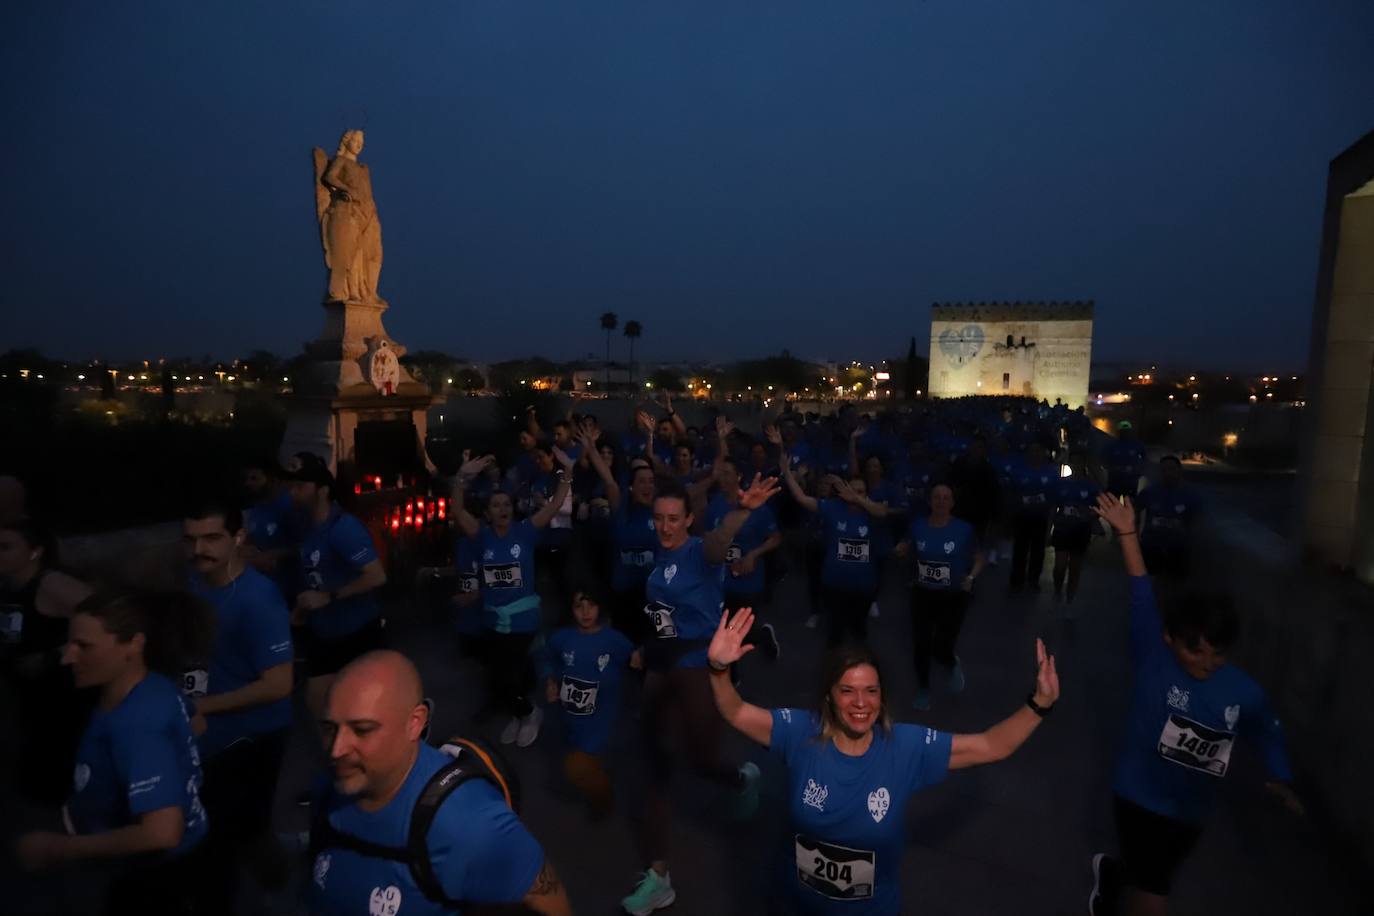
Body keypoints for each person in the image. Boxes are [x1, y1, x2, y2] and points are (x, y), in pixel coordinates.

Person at [706, 607, 1060, 915]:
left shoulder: (906, 746)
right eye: (847, 690)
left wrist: (1040, 704)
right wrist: (718, 670)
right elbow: (736, 711)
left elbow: (990, 745)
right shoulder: (800, 732)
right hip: (796, 905)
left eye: (871, 691)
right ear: (829, 697)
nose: (861, 702)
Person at [1088, 494, 1304, 916]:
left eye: (1218, 653)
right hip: (1138, 797)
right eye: (1196, 651)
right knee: (1155, 889)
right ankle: (1121, 881)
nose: (1207, 663)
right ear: (1170, 638)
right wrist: (1128, 533)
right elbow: (1140, 593)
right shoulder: (1154, 655)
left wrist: (1280, 775)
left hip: (1192, 811)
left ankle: (1113, 880)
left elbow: (1265, 728)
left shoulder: (1244, 691)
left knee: (1149, 874)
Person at [307, 650, 572, 915]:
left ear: (415, 723)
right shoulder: (331, 786)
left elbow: (551, 907)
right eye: (330, 728)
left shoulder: (472, 827)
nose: (336, 750)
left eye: (362, 730)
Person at [621, 475, 779, 916]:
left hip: (699, 668)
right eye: (659, 519)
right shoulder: (658, 554)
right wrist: (644, 647)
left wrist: (741, 512)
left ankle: (740, 778)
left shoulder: (700, 553)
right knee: (655, 764)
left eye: (674, 519)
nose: (665, 527)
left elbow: (718, 541)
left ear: (689, 519)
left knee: (703, 759)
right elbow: (661, 614)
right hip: (661, 665)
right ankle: (659, 876)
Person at [15, 589, 215, 915]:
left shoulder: (136, 727)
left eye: (84, 646)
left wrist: (57, 847)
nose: (68, 657)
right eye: (70, 643)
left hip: (152, 877)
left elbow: (162, 832)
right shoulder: (154, 685)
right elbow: (198, 723)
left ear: (133, 645)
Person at [182, 500, 295, 904]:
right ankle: (275, 871)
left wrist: (204, 708)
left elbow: (280, 684)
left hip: (252, 739)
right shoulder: (194, 582)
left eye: (211, 538)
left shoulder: (258, 600)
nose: (199, 549)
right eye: (191, 539)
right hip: (207, 736)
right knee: (238, 828)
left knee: (221, 839)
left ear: (238, 538)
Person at [452, 449, 573, 747]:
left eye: (506, 503)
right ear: (488, 512)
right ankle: (520, 713)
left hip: (522, 619)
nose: (503, 508)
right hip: (493, 619)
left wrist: (567, 472)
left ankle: (530, 713)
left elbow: (557, 503)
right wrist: (460, 477)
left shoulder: (526, 531)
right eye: (496, 504)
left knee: (505, 675)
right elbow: (456, 510)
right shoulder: (482, 537)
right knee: (498, 677)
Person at [0, 517, 94, 805]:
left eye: (5, 547)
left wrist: (53, 655)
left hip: (61, 698)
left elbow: (109, 617)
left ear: (34, 551)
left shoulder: (52, 584)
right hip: (27, 696)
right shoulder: (8, 585)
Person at [288, 453, 389, 717]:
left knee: (370, 706)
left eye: (300, 486)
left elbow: (376, 575)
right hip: (322, 633)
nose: (292, 492)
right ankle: (340, 756)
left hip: (357, 632)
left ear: (321, 491)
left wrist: (329, 596)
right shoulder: (307, 526)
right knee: (319, 703)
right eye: (291, 485)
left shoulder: (343, 528)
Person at [774, 422, 889, 647]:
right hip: (834, 583)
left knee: (858, 632)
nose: (855, 495)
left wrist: (857, 499)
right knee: (835, 633)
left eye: (861, 492)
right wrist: (787, 472)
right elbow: (801, 498)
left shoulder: (871, 510)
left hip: (864, 586)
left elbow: (882, 512)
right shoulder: (833, 507)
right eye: (852, 490)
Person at [544, 584, 640, 818]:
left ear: (601, 607)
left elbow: (638, 659)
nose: (586, 612)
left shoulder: (615, 641)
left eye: (592, 605)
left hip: (602, 722)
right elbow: (547, 658)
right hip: (570, 719)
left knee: (576, 768)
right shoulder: (561, 638)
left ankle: (605, 799)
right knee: (582, 762)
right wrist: (550, 681)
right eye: (579, 606)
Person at [896, 483, 985, 711]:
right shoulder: (917, 527)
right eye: (937, 497)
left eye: (946, 498)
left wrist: (971, 577)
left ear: (953, 503)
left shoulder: (964, 529)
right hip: (923, 594)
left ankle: (950, 662)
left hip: (954, 596)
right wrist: (901, 550)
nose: (941, 502)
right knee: (921, 643)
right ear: (930, 501)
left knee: (943, 645)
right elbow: (905, 547)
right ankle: (924, 689)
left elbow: (978, 557)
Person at [704, 455, 782, 660]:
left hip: (748, 580)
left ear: (739, 477)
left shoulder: (756, 506)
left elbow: (775, 538)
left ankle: (761, 635)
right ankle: (731, 672)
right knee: (722, 630)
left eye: (727, 473)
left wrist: (753, 555)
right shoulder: (714, 505)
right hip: (720, 580)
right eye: (720, 473)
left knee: (740, 630)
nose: (722, 478)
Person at [1135, 456, 1202, 578]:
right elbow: (1136, 511)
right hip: (1151, 545)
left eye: (1172, 469)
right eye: (1164, 470)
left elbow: (1197, 521)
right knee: (1150, 579)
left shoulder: (1190, 495)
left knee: (1175, 582)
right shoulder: (1149, 492)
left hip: (1178, 546)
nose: (1168, 473)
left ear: (1179, 471)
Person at [1008, 443, 1056, 593]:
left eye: (1038, 451)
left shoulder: (1051, 472)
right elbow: (1013, 494)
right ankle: (1016, 581)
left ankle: (1033, 580)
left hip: (1041, 518)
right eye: (1032, 451)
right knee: (1019, 550)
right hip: (1022, 517)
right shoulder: (1019, 470)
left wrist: (1050, 524)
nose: (1035, 454)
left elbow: (1053, 500)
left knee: (1038, 551)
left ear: (1044, 453)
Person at [1050, 467, 1101, 607]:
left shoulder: (1091, 486)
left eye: (1079, 461)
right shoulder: (1062, 483)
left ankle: (1070, 599)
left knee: (1075, 567)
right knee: (1059, 566)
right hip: (1062, 529)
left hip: (1081, 530)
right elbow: (1054, 506)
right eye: (1074, 461)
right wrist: (1049, 529)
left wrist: (1090, 514)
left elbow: (1099, 508)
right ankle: (1058, 589)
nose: (1076, 465)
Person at [1101, 421, 1146, 500]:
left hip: (1131, 482)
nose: (1124, 433)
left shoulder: (1137, 445)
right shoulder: (1111, 445)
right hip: (1114, 482)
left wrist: (1139, 471)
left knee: (1130, 505)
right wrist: (1110, 469)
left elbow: (1144, 460)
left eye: (1126, 431)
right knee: (1112, 506)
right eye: (1122, 431)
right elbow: (1103, 460)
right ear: (1119, 432)